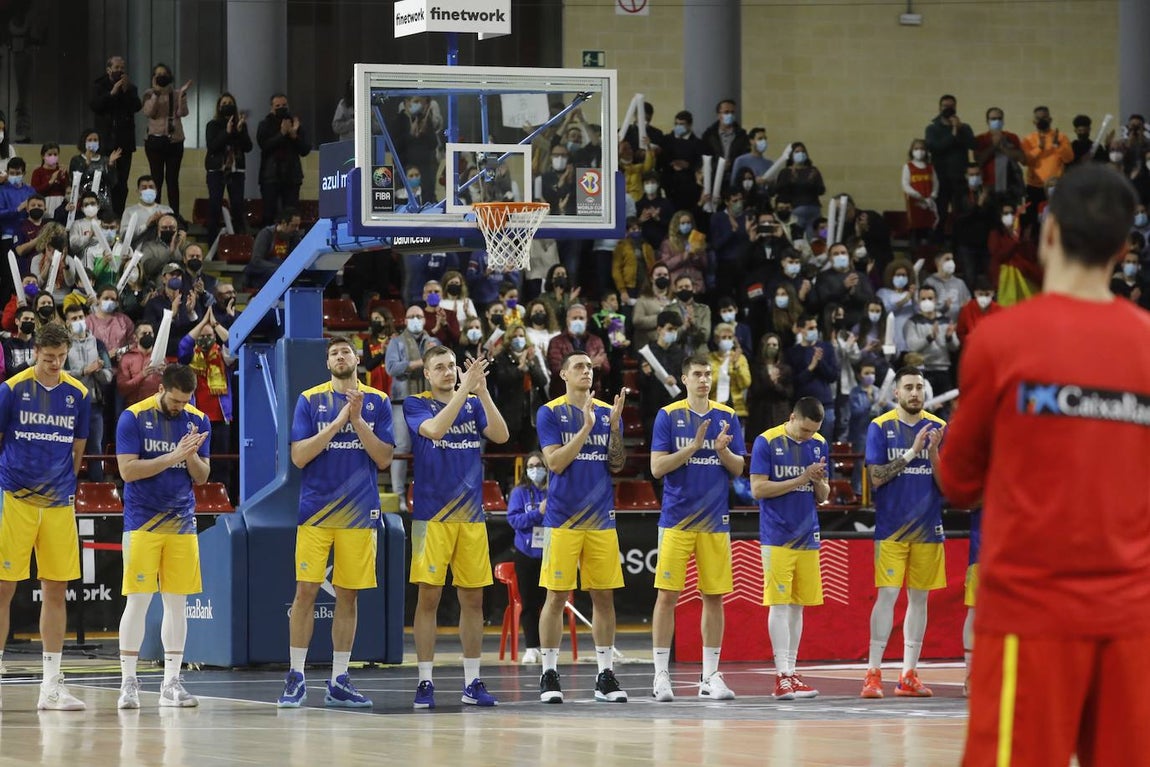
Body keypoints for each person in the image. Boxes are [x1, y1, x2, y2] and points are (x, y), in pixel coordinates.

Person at [937, 164, 1150, 766]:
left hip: (1029, 618)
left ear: (1047, 232)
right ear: (1124, 248)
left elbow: (957, 480)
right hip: (1134, 619)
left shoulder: (1002, 341)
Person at [278, 336, 394, 708]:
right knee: (305, 593)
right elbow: (299, 456)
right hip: (316, 512)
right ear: (327, 363)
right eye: (333, 353)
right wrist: (339, 422)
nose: (340, 356)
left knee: (349, 595)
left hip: (360, 514)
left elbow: (383, 459)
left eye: (346, 351)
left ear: (357, 358)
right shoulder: (310, 400)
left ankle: (339, 679)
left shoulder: (379, 401)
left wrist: (357, 421)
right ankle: (296, 676)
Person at [406, 346, 509, 708]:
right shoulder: (416, 404)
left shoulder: (473, 401)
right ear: (428, 375)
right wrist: (466, 390)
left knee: (473, 599)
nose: (449, 372)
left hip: (471, 518)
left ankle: (472, 681)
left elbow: (501, 435)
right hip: (432, 517)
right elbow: (434, 429)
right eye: (441, 367)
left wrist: (480, 392)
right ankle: (424, 681)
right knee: (429, 598)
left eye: (452, 366)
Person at [0, 324, 90, 710]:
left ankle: (51, 686)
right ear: (36, 352)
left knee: (56, 589)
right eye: (48, 357)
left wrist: (61, 488)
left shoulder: (79, 394)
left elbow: (77, 449)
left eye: (61, 357)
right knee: (3, 589)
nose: (55, 364)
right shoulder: (11, 389)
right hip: (14, 499)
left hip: (57, 504)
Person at [649, 356, 745, 702]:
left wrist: (721, 451)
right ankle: (661, 674)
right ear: (684, 379)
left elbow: (738, 469)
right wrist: (691, 447)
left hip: (715, 520)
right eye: (697, 375)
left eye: (708, 374)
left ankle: (710, 675)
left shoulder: (727, 416)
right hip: (676, 519)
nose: (704, 380)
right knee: (667, 595)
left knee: (714, 596)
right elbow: (657, 468)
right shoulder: (668, 415)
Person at [114, 364, 211, 709]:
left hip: (182, 522)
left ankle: (171, 681)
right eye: (175, 400)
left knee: (177, 604)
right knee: (138, 602)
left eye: (185, 401)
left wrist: (192, 455)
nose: (180, 406)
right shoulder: (133, 417)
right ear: (161, 387)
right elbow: (128, 471)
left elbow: (201, 478)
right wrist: (173, 455)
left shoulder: (198, 419)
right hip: (142, 521)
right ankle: (128, 682)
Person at [536, 352, 627, 704]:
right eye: (579, 367)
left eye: (590, 367)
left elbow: (617, 465)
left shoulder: (607, 411)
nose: (586, 371)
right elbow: (555, 463)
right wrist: (587, 428)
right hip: (563, 518)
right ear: (563, 374)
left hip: (601, 518)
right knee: (556, 596)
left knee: (604, 597)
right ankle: (549, 673)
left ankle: (605, 675)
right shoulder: (550, 411)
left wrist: (615, 427)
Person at [860, 367, 946, 700]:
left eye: (919, 388)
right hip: (892, 528)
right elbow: (877, 477)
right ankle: (873, 672)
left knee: (920, 599)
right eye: (908, 387)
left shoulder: (939, 428)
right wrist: (913, 451)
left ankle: (908, 673)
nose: (914, 393)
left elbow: (948, 485)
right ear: (896, 392)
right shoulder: (880, 427)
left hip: (928, 526)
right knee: (888, 596)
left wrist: (934, 452)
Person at [750, 397, 830, 700]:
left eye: (813, 431)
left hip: (807, 533)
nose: (808, 436)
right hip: (777, 535)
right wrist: (802, 477)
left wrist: (819, 482)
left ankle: (793, 672)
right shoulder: (766, 441)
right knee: (779, 604)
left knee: (799, 606)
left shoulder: (819, 444)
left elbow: (823, 495)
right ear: (792, 417)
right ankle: (780, 675)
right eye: (805, 429)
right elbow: (758, 489)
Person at [384, 305, 439, 510]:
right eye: (411, 316)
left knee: (429, 448)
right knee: (402, 447)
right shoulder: (396, 342)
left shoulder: (434, 342)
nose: (415, 319)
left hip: (429, 401)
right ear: (405, 320)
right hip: (402, 401)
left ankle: (427, 493)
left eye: (419, 316)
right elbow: (392, 368)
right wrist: (418, 363)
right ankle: (399, 496)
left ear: (425, 320)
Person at [505, 451, 549, 665]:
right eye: (531, 466)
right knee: (529, 603)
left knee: (550, 603)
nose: (535, 469)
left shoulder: (555, 490)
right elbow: (514, 520)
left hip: (550, 553)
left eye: (539, 465)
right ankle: (532, 647)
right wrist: (537, 513)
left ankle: (549, 647)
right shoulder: (519, 493)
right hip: (526, 553)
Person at [89, 55, 140, 215]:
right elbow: (95, 105)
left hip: (124, 142)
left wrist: (125, 91)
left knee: (122, 182)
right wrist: (112, 93)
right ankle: (102, 213)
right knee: (104, 178)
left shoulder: (130, 87)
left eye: (122, 68)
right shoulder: (99, 85)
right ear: (109, 69)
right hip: (105, 141)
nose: (120, 71)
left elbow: (136, 106)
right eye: (117, 67)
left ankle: (118, 214)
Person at [141, 63, 191, 218]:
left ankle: (174, 215)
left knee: (172, 180)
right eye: (158, 74)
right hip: (155, 141)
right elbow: (149, 112)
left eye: (164, 74)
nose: (162, 76)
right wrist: (156, 93)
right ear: (153, 78)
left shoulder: (176, 94)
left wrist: (182, 96)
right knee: (156, 179)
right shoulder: (149, 94)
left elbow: (183, 113)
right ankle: (154, 215)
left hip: (174, 141)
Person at [204, 92, 252, 243]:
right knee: (215, 205)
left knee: (237, 206)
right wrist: (227, 132)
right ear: (219, 107)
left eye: (230, 103)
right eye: (224, 104)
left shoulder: (241, 125)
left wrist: (239, 131)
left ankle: (240, 242)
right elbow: (212, 147)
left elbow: (248, 147)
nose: (227, 106)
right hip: (217, 170)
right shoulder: (212, 125)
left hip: (236, 170)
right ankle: (212, 241)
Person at [257, 93, 311, 225]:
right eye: (278, 106)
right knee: (269, 214)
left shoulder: (296, 125)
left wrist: (294, 136)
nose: (281, 108)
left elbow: (305, 149)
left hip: (292, 177)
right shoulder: (264, 125)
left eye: (284, 105)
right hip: (270, 176)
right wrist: (281, 134)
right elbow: (265, 145)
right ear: (271, 108)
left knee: (291, 213)